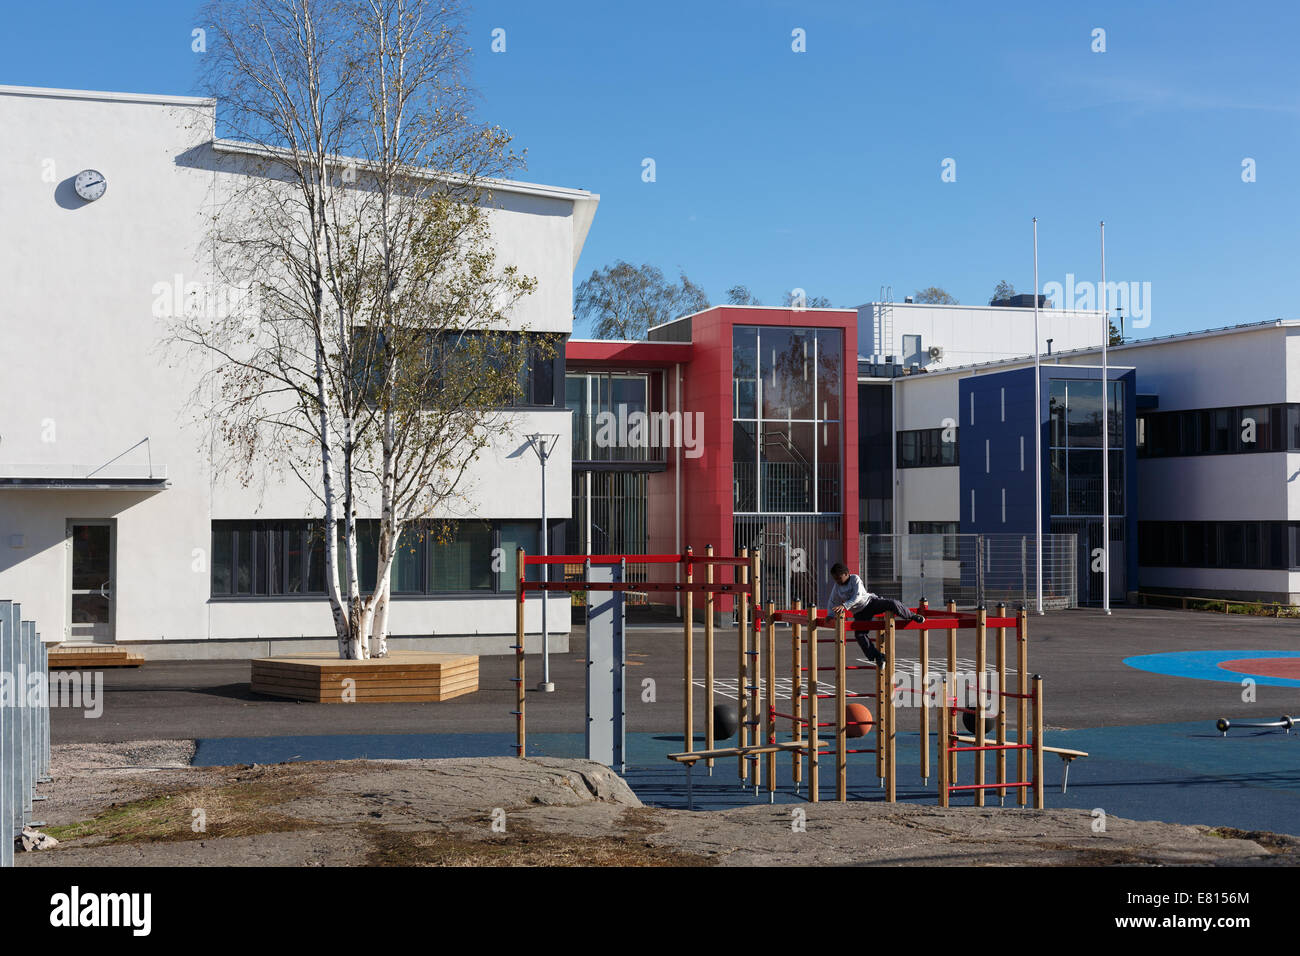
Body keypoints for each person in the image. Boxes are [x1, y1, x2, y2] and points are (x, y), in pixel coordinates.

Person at [826, 562, 925, 667]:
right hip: (860, 612)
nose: (837, 581)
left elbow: (858, 596)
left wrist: (845, 605)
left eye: (839, 578)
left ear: (846, 574)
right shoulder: (837, 587)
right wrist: (830, 614)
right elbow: (832, 601)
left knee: (892, 603)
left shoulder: (855, 579)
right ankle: (878, 656)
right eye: (835, 579)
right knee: (859, 635)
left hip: (870, 602)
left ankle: (911, 615)